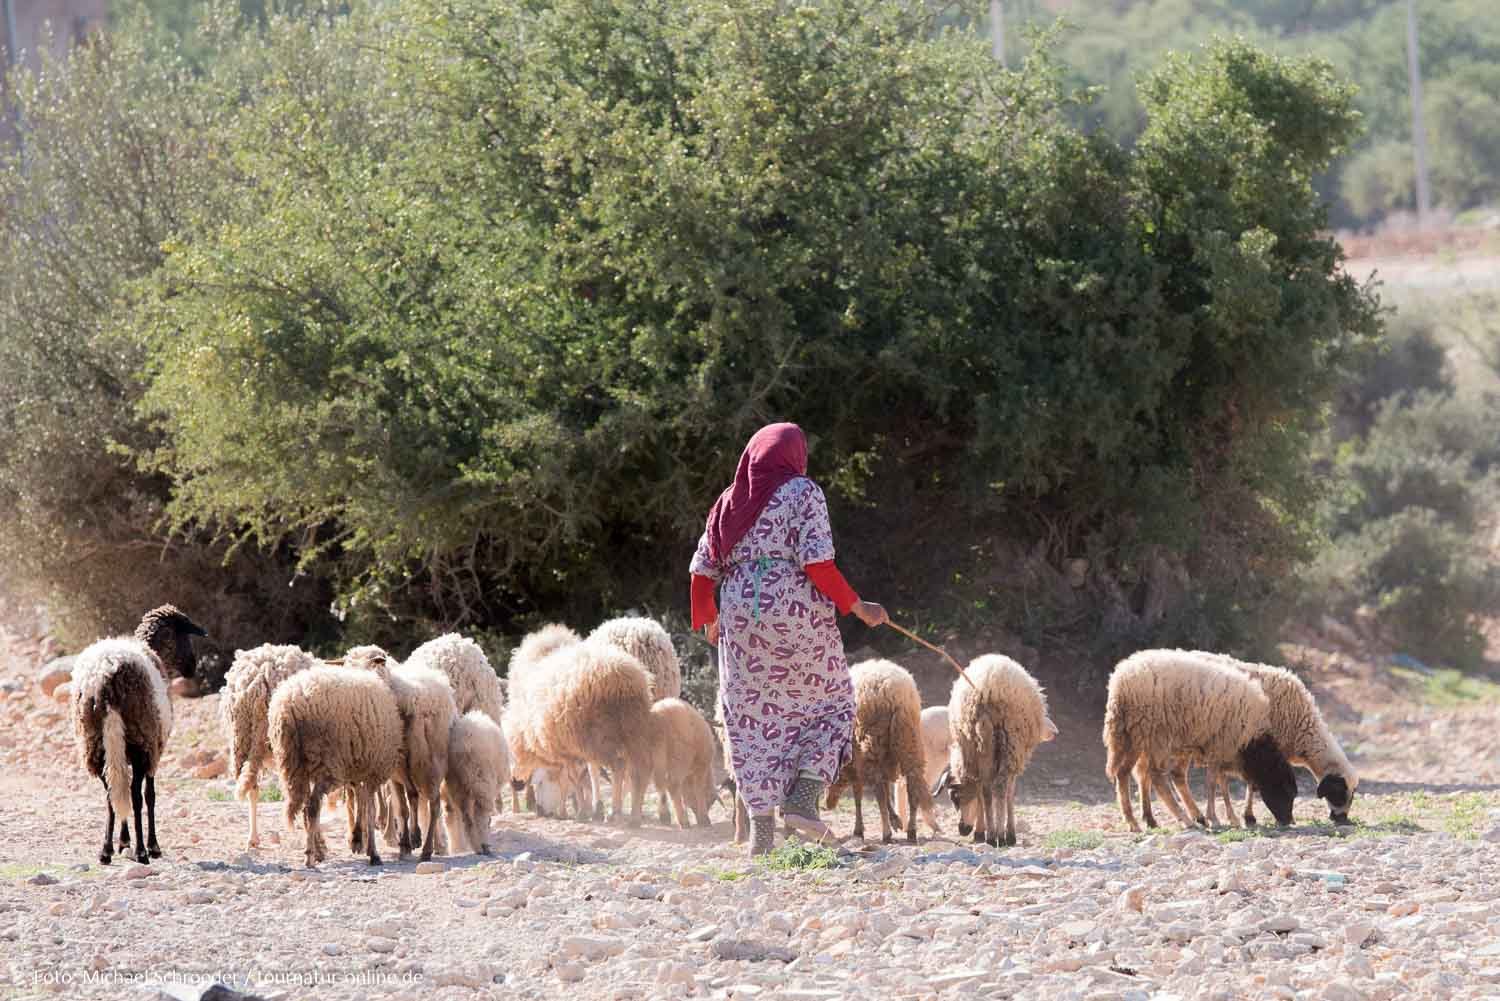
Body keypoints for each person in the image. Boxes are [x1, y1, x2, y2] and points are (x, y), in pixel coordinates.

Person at [689, 422, 888, 856]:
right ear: (794, 455)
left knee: (750, 719)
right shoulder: (803, 492)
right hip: (796, 613)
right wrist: (857, 606)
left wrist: (708, 621)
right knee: (832, 703)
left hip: (739, 616)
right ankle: (801, 799)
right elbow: (817, 563)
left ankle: (760, 834)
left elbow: (702, 569)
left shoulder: (730, 499)